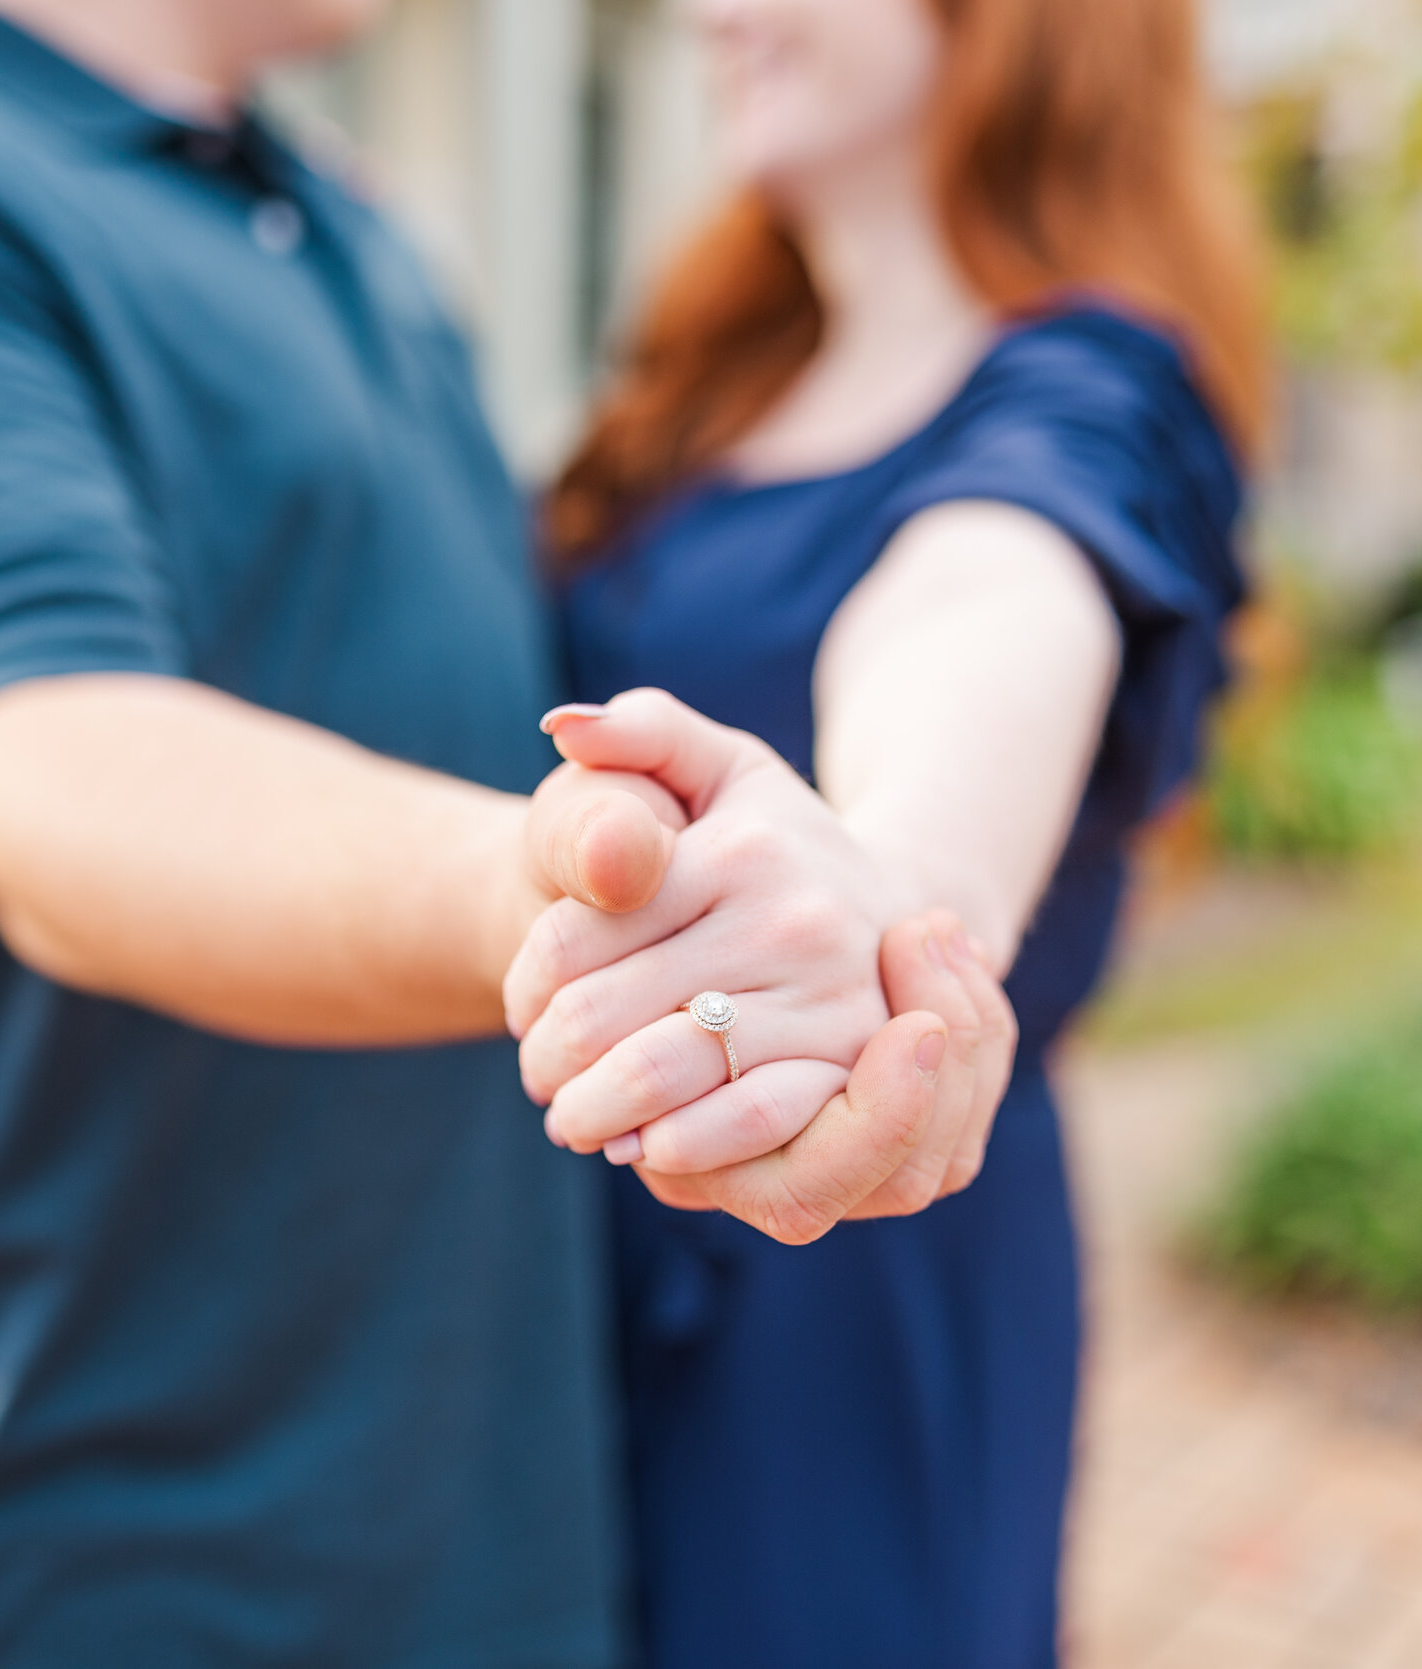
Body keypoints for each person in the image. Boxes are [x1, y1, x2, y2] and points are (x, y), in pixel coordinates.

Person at [0, 0, 1014, 1661]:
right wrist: (562, 902)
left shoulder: (345, 227)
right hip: (97, 1576)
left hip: (503, 1549)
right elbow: (56, 776)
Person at [500, 0, 1272, 1663]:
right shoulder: (700, 395)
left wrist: (895, 899)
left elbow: (990, 598)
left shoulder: (1090, 381)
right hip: (569, 1260)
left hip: (850, 1297)